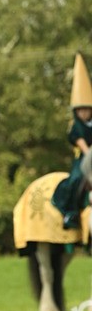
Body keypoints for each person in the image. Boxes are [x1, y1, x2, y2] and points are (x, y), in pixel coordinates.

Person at [51, 53, 92, 229]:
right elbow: (83, 146)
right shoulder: (75, 127)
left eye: (87, 109)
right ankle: (71, 214)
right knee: (76, 179)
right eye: (80, 110)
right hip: (85, 160)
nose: (84, 113)